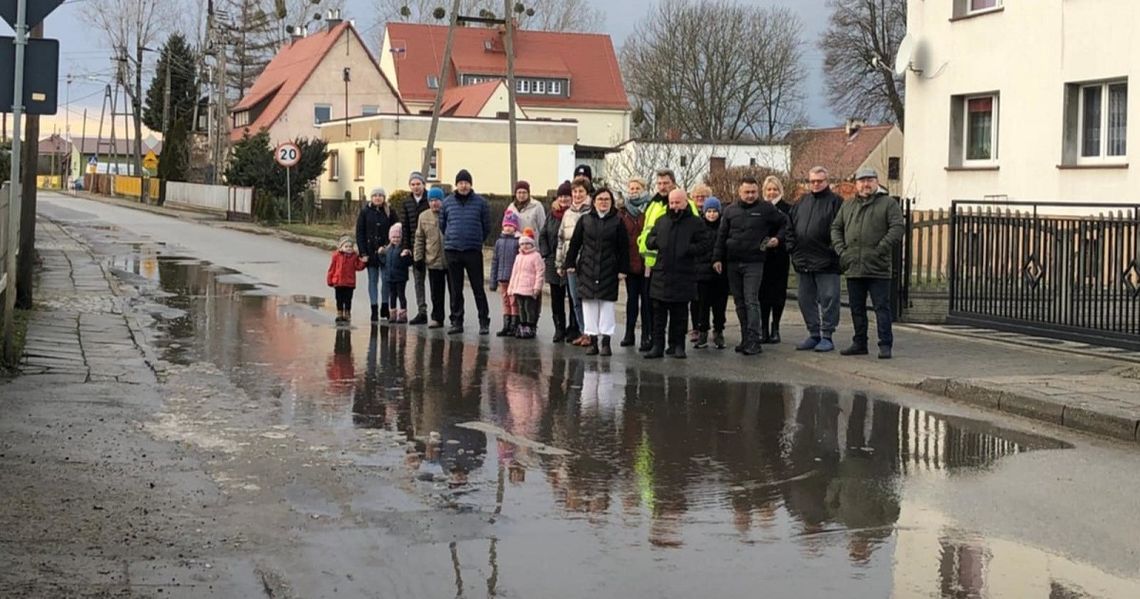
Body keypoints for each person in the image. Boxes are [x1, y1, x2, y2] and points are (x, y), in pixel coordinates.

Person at [831, 167, 905, 359]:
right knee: (856, 308)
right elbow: (836, 228)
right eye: (862, 181)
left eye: (870, 180)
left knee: (882, 307)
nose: (866, 184)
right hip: (853, 265)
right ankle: (859, 342)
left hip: (878, 267)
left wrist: (880, 249)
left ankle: (885, 344)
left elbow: (897, 228)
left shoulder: (888, 204)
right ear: (856, 184)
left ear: (876, 182)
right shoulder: (848, 206)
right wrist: (842, 252)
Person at [713, 176, 789, 356]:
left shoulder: (766, 209)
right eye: (746, 192)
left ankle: (754, 340)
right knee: (739, 302)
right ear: (739, 192)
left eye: (753, 192)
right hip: (732, 261)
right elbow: (721, 236)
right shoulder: (730, 211)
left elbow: (785, 224)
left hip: (754, 261)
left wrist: (777, 239)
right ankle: (745, 338)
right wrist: (717, 258)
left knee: (751, 300)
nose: (750, 195)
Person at [562, 187, 629, 357]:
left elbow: (624, 248)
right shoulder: (585, 220)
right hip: (587, 268)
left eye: (607, 199)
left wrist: (623, 269)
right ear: (594, 201)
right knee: (589, 305)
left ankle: (606, 342)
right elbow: (575, 243)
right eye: (600, 199)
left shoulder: (618, 221)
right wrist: (569, 263)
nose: (603, 202)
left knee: (606, 306)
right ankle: (592, 341)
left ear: (611, 202)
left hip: (609, 269)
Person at [644, 189, 709, 359]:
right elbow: (648, 240)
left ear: (685, 202)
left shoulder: (695, 223)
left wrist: (688, 249)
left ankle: (678, 345)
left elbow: (704, 244)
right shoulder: (661, 220)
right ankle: (658, 346)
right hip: (661, 274)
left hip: (684, 274)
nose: (674, 206)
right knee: (659, 315)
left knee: (679, 314)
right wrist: (656, 241)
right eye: (671, 203)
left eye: (677, 202)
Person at [637, 169, 696, 353]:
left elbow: (695, 234)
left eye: (666, 183)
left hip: (680, 267)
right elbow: (648, 232)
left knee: (678, 309)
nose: (662, 187)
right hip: (654, 264)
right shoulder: (653, 205)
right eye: (660, 183)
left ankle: (676, 344)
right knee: (654, 308)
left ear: (673, 183)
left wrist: (685, 249)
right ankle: (653, 342)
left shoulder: (689, 206)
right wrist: (647, 246)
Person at [787, 166, 844, 352]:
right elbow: (790, 227)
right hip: (803, 260)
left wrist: (833, 251)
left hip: (827, 262)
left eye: (819, 181)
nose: (816, 184)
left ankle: (827, 335)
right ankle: (813, 333)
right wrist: (792, 249)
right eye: (812, 181)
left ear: (827, 181)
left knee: (829, 299)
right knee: (805, 300)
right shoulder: (802, 202)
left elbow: (841, 230)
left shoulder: (837, 202)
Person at [439, 169, 493, 335]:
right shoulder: (447, 203)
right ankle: (456, 321)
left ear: (471, 184)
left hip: (473, 250)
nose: (464, 186)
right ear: (456, 185)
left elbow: (487, 226)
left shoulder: (481, 202)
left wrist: (477, 239)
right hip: (453, 250)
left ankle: (484, 321)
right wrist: (452, 238)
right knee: (455, 289)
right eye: (461, 183)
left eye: (466, 183)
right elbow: (443, 224)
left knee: (478, 288)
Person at [556, 177, 593, 346]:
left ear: (587, 194)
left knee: (588, 299)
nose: (577, 195)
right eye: (575, 192)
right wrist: (560, 263)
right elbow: (561, 239)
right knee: (575, 299)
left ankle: (592, 333)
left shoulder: (591, 212)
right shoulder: (568, 213)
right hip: (570, 263)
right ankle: (583, 330)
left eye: (581, 192)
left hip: (587, 263)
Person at [540, 181, 577, 343]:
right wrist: (546, 253)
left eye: (567, 196)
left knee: (573, 297)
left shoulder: (575, 214)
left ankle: (573, 328)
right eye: (561, 196)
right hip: (552, 262)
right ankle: (559, 329)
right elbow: (542, 235)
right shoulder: (552, 214)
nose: (564, 199)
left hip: (570, 262)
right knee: (556, 298)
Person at [356, 187, 399, 322]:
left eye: (380, 195)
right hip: (370, 253)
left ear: (384, 198)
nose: (378, 198)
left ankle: (385, 306)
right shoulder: (365, 212)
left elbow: (397, 231)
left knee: (386, 280)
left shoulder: (390, 212)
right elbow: (360, 233)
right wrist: (363, 252)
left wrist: (388, 247)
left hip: (386, 253)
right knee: (372, 280)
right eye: (375, 195)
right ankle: (374, 308)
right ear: (371, 198)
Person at [759, 175, 793, 344]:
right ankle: (763, 328)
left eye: (775, 189)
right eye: (769, 189)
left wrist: (779, 241)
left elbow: (790, 230)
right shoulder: (759, 208)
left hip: (780, 256)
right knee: (763, 294)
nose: (772, 192)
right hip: (762, 256)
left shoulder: (788, 208)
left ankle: (776, 327)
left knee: (778, 294)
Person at [693, 197, 728, 349]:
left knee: (720, 306)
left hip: (720, 274)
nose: (712, 214)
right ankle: (702, 332)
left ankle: (718, 331)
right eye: (709, 211)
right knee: (703, 305)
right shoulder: (698, 227)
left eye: (714, 211)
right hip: (702, 273)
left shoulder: (724, 227)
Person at [414, 186, 450, 328]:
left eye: (437, 200)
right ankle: (437, 317)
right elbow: (419, 238)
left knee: (454, 292)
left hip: (450, 258)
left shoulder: (448, 213)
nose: (434, 203)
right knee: (436, 292)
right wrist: (418, 258)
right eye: (432, 200)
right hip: (433, 258)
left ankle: (456, 318)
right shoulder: (423, 216)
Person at [617, 181, 648, 347]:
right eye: (632, 188)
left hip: (647, 263)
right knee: (632, 301)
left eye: (638, 188)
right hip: (630, 264)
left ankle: (645, 335)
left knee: (647, 302)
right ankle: (629, 334)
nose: (634, 191)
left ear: (644, 190)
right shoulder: (623, 212)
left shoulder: (649, 209)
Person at [401, 171, 432, 324]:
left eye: (418, 184)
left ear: (423, 185)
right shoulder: (406, 203)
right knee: (418, 281)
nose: (415, 187)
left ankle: (437, 313)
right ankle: (422, 311)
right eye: (412, 184)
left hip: (432, 247)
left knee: (434, 281)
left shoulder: (430, 199)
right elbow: (405, 227)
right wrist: (406, 247)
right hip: (415, 247)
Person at [687, 183, 714, 342]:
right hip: (693, 263)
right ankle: (696, 327)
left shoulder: (712, 213)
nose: (700, 200)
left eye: (703, 197)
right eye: (697, 197)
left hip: (707, 263)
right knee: (694, 299)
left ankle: (705, 326)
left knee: (707, 299)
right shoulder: (691, 214)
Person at [507, 227, 545, 340]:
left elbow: (540, 273)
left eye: (527, 244)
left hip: (530, 289)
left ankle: (530, 326)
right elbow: (514, 273)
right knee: (521, 308)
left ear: (532, 244)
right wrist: (511, 287)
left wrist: (537, 287)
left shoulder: (536, 256)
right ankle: (522, 325)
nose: (525, 246)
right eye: (523, 244)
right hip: (519, 288)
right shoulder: (518, 257)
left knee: (530, 308)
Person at [490, 212, 522, 337]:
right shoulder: (499, 242)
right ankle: (506, 325)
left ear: (515, 227)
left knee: (514, 301)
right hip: (502, 278)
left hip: (513, 278)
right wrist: (493, 281)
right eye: (506, 225)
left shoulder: (517, 242)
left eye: (511, 225)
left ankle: (514, 325)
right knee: (505, 301)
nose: (508, 228)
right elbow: (494, 261)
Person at [326, 235, 367, 323]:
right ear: (341, 247)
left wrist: (363, 262)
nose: (348, 248)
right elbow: (332, 268)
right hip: (338, 282)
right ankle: (339, 313)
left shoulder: (354, 257)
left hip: (349, 283)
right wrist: (330, 279)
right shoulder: (336, 256)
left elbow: (358, 267)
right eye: (346, 246)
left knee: (348, 299)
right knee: (339, 299)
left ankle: (347, 313)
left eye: (350, 247)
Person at [380, 223, 413, 323]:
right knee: (392, 296)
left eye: (398, 237)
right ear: (390, 237)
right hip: (390, 277)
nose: (396, 239)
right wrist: (380, 254)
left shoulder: (403, 249)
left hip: (400, 277)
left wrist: (406, 256)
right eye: (393, 237)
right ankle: (393, 314)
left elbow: (408, 263)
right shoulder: (388, 249)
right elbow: (384, 262)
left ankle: (403, 314)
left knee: (401, 295)